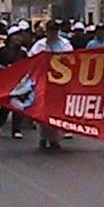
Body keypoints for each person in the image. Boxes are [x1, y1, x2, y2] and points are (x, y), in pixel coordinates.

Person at [29, 20, 73, 149]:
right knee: (43, 109)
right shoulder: (39, 45)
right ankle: (43, 136)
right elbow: (30, 59)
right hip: (44, 81)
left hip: (60, 82)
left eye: (55, 30)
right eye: (50, 30)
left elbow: (72, 59)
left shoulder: (65, 44)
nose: (53, 33)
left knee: (57, 110)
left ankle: (55, 139)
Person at [0, 26, 28, 138]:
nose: (18, 38)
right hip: (6, 81)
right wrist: (5, 68)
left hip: (19, 82)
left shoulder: (23, 51)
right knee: (6, 103)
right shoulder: (2, 49)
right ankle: (0, 122)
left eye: (20, 36)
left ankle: (16, 129)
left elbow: (28, 64)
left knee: (18, 104)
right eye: (16, 36)